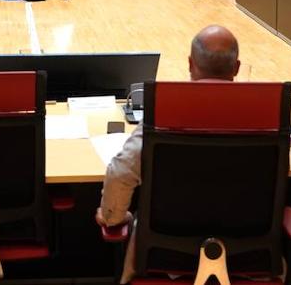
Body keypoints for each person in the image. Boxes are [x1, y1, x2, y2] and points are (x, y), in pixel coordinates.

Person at [95, 25, 242, 283]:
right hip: (245, 257)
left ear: (190, 64)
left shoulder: (165, 110)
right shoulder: (266, 113)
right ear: (237, 68)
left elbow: (120, 173)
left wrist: (112, 216)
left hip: (165, 256)